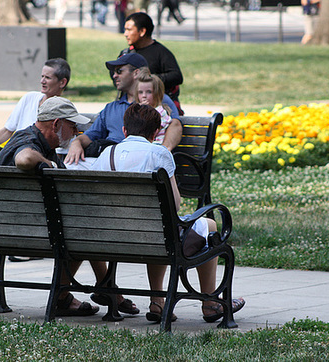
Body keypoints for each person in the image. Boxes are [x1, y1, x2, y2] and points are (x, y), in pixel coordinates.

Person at [91, 103, 246, 323]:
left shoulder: (108, 153)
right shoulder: (159, 153)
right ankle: (209, 302)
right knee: (208, 226)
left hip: (114, 238)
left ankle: (159, 301)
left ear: (124, 130)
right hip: (155, 237)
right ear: (155, 133)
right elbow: (174, 205)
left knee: (157, 227)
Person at [0, 96, 140, 317]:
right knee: (80, 230)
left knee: (79, 224)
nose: (75, 134)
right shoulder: (29, 143)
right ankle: (90, 293)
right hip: (17, 229)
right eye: (72, 126)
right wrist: (49, 164)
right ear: (56, 124)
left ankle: (103, 290)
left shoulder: (36, 141)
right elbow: (23, 160)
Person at [64, 53, 182, 169]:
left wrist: (163, 150)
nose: (114, 76)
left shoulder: (156, 99)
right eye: (114, 72)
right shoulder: (111, 108)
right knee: (70, 165)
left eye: (119, 71)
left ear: (136, 73)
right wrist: (76, 143)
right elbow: (91, 135)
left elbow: (175, 124)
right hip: (110, 159)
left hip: (140, 159)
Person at [0, 58, 71, 165]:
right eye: (42, 76)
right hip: (18, 160)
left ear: (62, 82)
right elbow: (7, 131)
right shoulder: (29, 98)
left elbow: (58, 153)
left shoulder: (65, 111)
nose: (42, 81)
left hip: (36, 167)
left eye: (47, 78)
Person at [120, 12, 184, 115]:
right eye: (125, 29)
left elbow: (176, 76)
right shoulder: (126, 54)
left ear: (142, 31)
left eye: (129, 30)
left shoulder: (161, 52)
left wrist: (149, 81)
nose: (125, 34)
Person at [134, 68, 173, 145]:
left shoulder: (160, 112)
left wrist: (144, 111)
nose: (144, 96)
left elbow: (148, 130)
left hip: (156, 147)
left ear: (157, 93)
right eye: (140, 92)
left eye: (149, 92)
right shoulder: (138, 111)